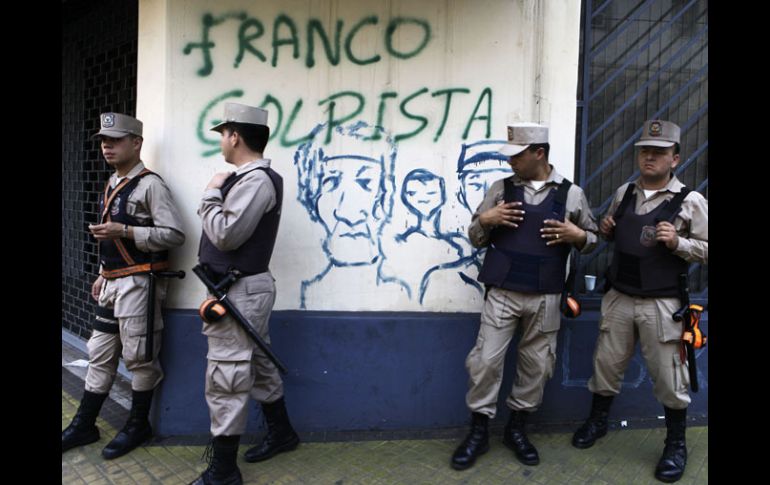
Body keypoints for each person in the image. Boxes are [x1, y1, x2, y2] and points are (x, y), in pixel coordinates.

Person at [451, 123, 598, 470]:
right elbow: (475, 238)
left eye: (517, 155)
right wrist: (486, 219)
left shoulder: (571, 194)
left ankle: (517, 429)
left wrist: (578, 235)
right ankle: (479, 431)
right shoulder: (500, 189)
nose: (510, 162)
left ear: (539, 154)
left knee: (536, 366)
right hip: (502, 292)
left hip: (546, 295)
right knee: (485, 361)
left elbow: (592, 241)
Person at [571, 120, 708, 483]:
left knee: (668, 377)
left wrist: (679, 243)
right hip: (619, 296)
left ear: (675, 158)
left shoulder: (690, 201)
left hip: (662, 304)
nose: (650, 156)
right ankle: (598, 422)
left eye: (659, 152)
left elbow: (707, 249)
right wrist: (606, 229)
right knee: (606, 365)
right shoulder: (625, 192)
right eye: (645, 150)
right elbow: (614, 231)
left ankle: (676, 443)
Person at [62, 112, 185, 459]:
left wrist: (127, 231)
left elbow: (175, 235)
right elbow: (110, 240)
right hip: (114, 283)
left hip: (140, 284)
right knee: (99, 353)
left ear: (136, 143)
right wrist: (103, 271)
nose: (106, 146)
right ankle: (84, 424)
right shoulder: (111, 182)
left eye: (114, 140)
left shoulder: (150, 185)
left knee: (139, 359)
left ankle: (138, 424)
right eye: (103, 141)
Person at [192, 102, 298, 485]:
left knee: (228, 375)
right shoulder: (247, 178)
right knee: (257, 364)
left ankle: (222, 471)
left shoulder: (254, 181)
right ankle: (283, 432)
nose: (222, 140)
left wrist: (210, 193)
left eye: (223, 133)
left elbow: (225, 233)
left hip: (239, 293)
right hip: (238, 292)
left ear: (235, 135)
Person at [294, 121, 407, 308]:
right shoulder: (308, 293)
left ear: (387, 192)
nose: (348, 212)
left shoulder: (406, 296)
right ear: (311, 196)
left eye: (366, 182)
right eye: (330, 181)